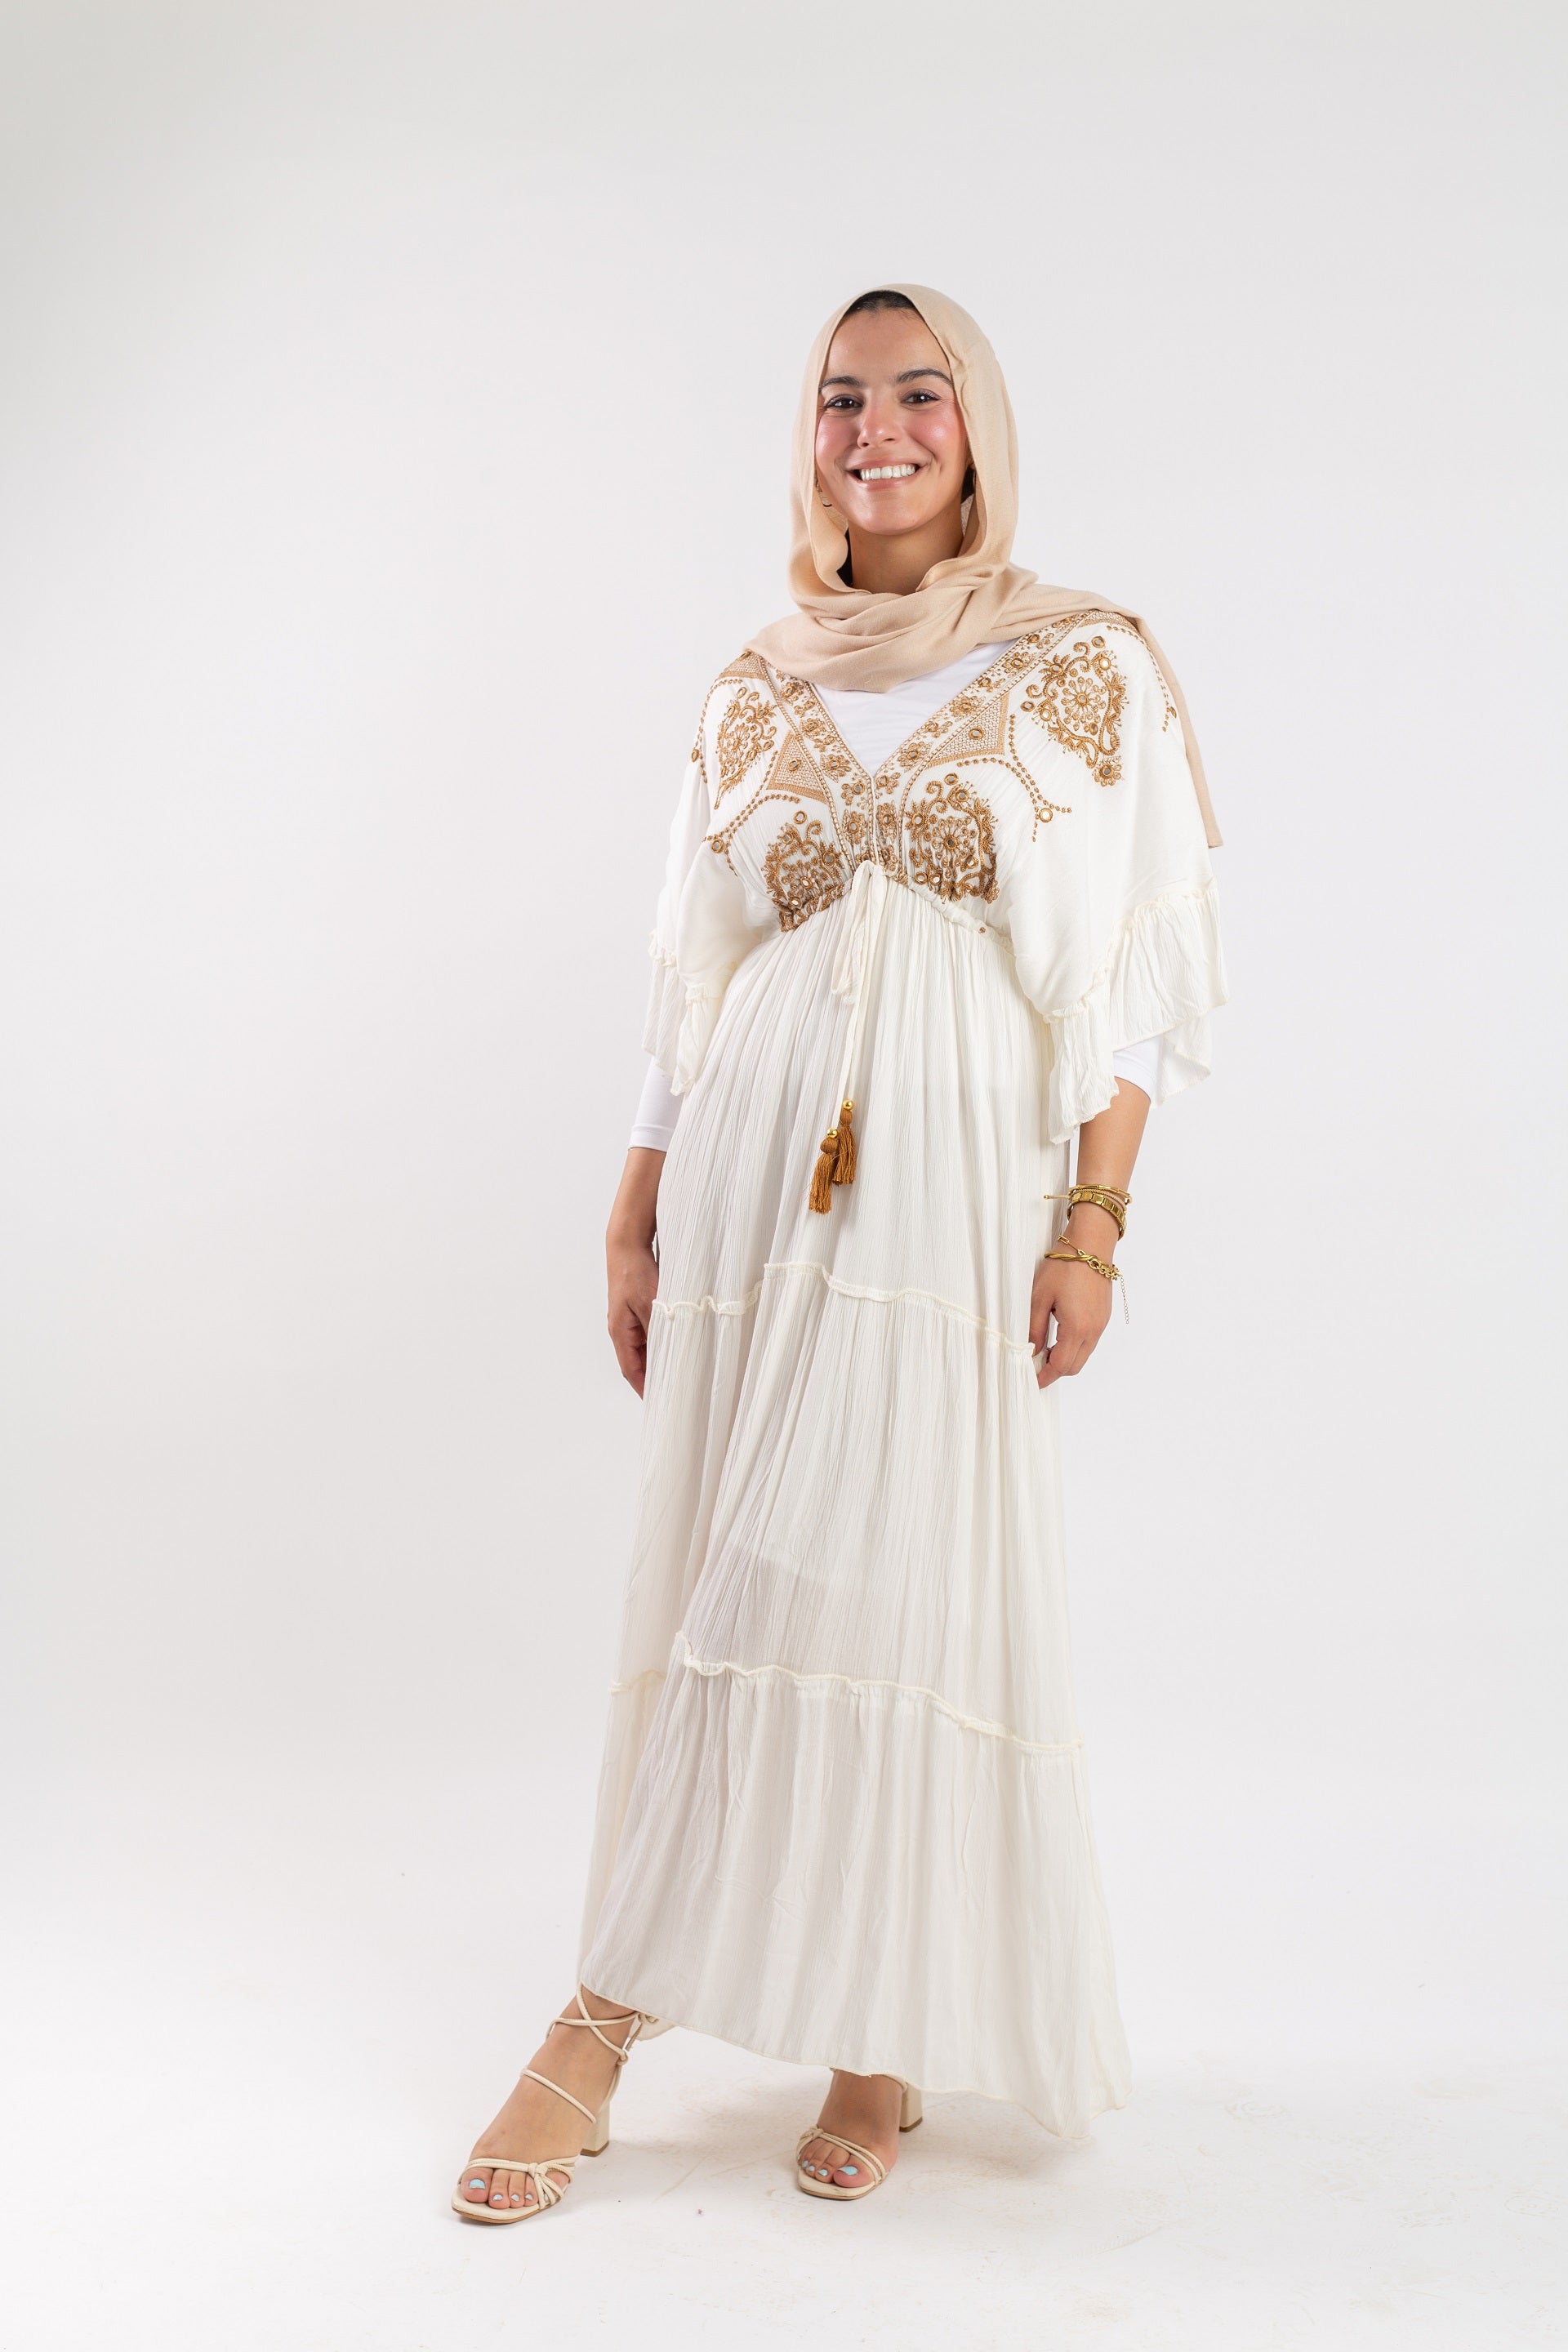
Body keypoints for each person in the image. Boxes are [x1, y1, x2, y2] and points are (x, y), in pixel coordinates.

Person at [452, 284, 1227, 2221]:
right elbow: (691, 973)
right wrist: (634, 1194)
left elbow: (1124, 982)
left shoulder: (1084, 663)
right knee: (737, 1561)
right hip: (748, 1176)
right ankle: (614, 2007)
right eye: (841, 396)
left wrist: (1098, 1219)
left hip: (955, 1180)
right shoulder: (751, 684)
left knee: (900, 1576)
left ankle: (860, 2030)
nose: (878, 428)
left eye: (918, 392)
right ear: (807, 437)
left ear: (978, 429)